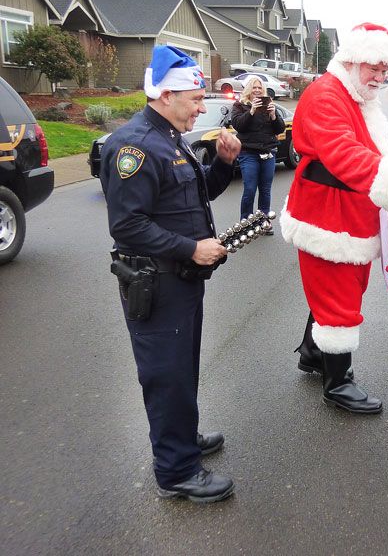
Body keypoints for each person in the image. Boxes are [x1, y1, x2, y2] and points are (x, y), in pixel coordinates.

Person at [100, 46, 241, 503]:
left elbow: (194, 197)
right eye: (196, 98)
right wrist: (190, 248)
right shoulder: (134, 147)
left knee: (183, 369)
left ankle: (183, 436)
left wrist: (222, 162)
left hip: (181, 279)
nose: (203, 107)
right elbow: (128, 226)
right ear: (164, 94)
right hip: (155, 282)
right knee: (166, 374)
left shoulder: (170, 138)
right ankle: (176, 471)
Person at [280, 23, 388, 414]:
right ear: (351, 59)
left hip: (350, 214)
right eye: (373, 69)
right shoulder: (326, 95)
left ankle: (313, 353)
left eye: (385, 71)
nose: (380, 78)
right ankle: (338, 383)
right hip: (328, 217)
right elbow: (343, 153)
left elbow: (376, 147)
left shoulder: (358, 96)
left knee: (339, 288)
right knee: (338, 295)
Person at [230, 76, 285, 232]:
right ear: (249, 90)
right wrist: (252, 111)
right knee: (250, 188)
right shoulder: (240, 106)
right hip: (248, 153)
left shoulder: (269, 105)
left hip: (268, 152)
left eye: (259, 87)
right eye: (254, 87)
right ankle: (245, 222)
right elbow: (238, 125)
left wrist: (274, 116)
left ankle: (263, 222)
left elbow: (279, 129)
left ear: (263, 90)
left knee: (265, 189)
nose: (257, 90)